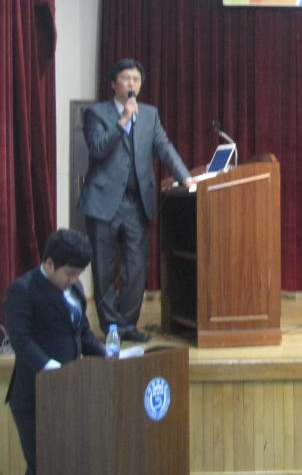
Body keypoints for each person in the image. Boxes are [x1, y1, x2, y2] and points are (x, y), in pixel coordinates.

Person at [78, 58, 194, 343]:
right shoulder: (96, 113)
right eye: (126, 78)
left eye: (137, 79)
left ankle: (128, 325)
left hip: (136, 203)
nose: (132, 84)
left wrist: (185, 177)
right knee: (104, 269)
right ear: (113, 84)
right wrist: (123, 121)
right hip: (103, 203)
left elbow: (164, 147)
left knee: (136, 267)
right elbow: (97, 149)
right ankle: (111, 327)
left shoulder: (150, 114)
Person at [4, 229, 106, 475]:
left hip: (69, 391)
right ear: (49, 264)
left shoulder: (75, 289)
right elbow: (22, 342)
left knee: (66, 462)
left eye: (78, 274)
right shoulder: (23, 290)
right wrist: (54, 370)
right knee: (43, 465)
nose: (74, 279)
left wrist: (107, 355)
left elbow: (82, 334)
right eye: (69, 273)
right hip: (34, 396)